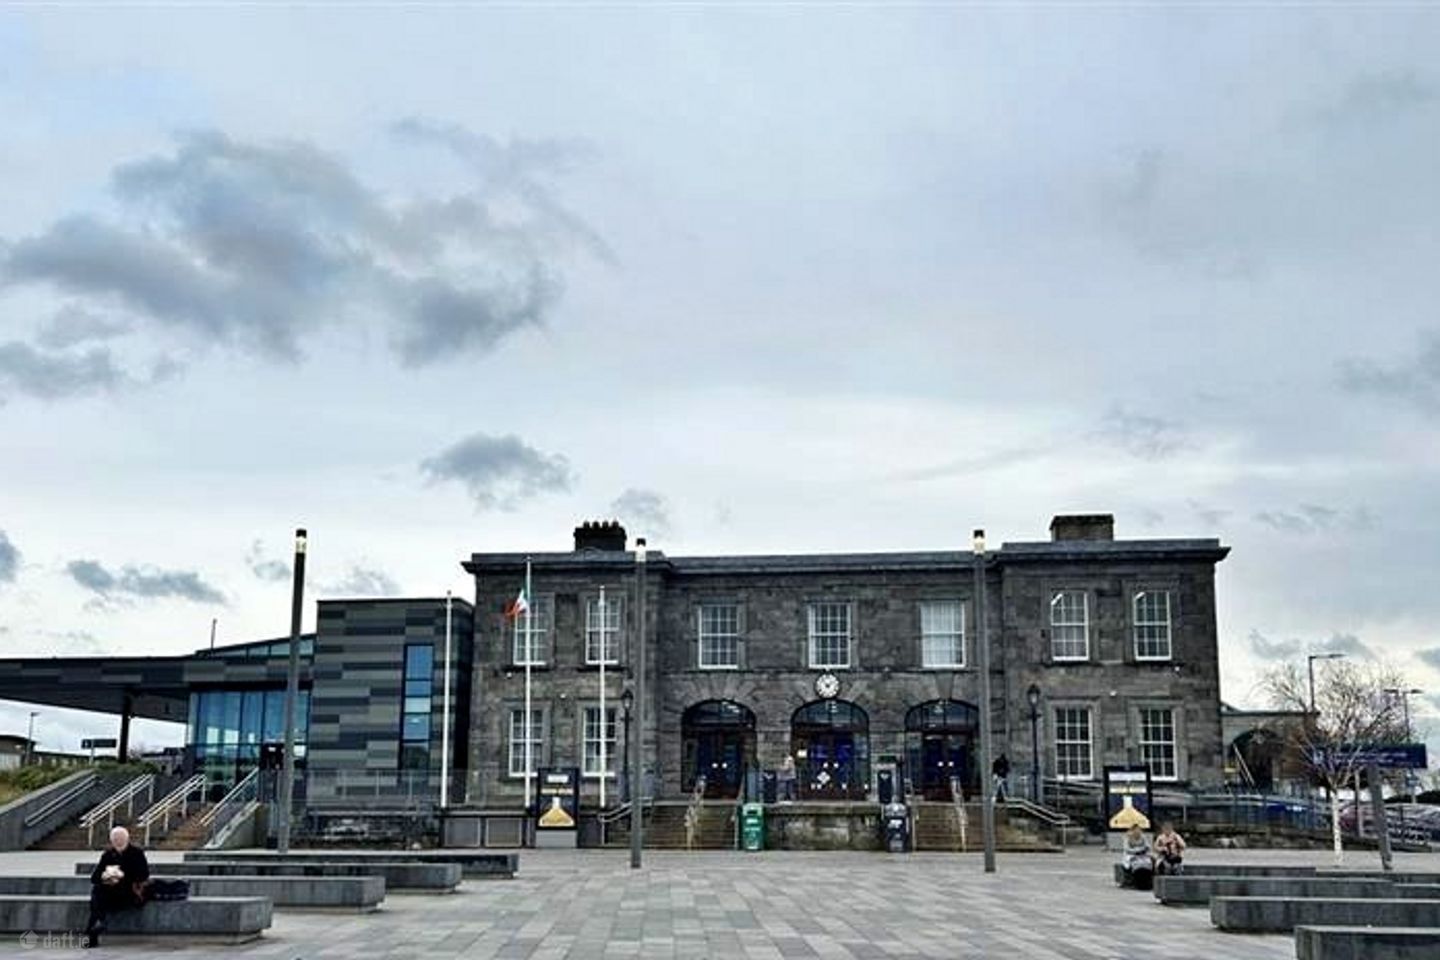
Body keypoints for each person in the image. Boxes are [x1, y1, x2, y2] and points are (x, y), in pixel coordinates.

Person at [86, 826, 149, 947]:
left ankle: (95, 926)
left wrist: (122, 875)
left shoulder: (137, 853)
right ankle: (94, 927)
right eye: (115, 839)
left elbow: (143, 874)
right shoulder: (108, 855)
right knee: (98, 891)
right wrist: (106, 876)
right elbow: (95, 877)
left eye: (120, 839)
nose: (118, 842)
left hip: (129, 892)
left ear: (127, 839)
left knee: (100, 897)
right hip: (109, 892)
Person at [1119, 824, 1154, 889]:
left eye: (1139, 830)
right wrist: (1136, 850)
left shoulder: (1143, 837)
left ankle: (1148, 881)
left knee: (1149, 862)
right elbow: (1126, 849)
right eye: (1136, 830)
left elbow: (1148, 846)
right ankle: (1133, 881)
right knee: (1133, 863)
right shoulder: (1127, 837)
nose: (1138, 832)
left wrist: (1144, 849)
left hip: (1142, 854)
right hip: (1131, 855)